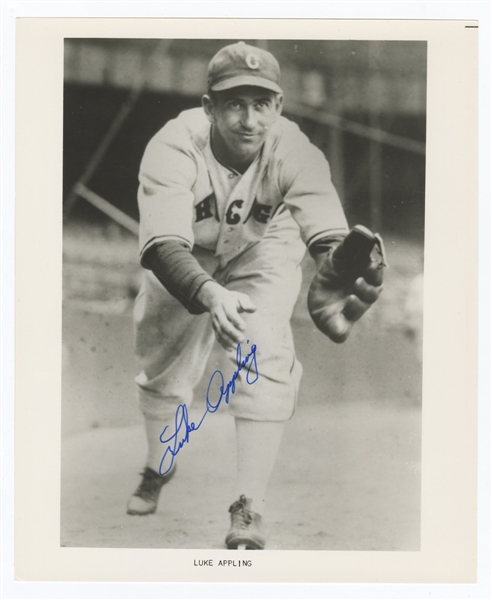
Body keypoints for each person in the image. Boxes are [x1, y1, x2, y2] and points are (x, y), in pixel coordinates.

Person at [127, 41, 379, 550]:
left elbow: (329, 235)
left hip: (264, 249)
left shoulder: (296, 150)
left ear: (279, 107)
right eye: (234, 104)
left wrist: (340, 264)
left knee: (264, 351)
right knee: (163, 367)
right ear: (209, 108)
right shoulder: (173, 146)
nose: (248, 119)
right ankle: (158, 466)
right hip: (186, 257)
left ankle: (248, 507)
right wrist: (209, 293)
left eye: (261, 104)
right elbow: (161, 245)